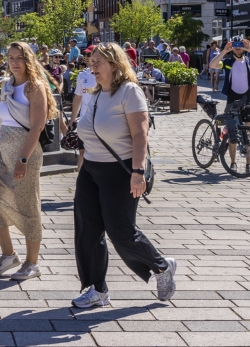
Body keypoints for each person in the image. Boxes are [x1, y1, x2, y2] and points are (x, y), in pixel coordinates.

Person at [72, 43, 176, 308]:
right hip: (91, 170)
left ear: (115, 66)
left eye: (98, 62)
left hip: (121, 171)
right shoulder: (95, 95)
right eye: (91, 62)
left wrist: (138, 172)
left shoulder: (130, 92)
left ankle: (162, 267)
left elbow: (140, 134)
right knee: (87, 231)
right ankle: (96, 289)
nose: (92, 67)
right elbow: (90, 130)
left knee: (121, 231)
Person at [0, 41, 56, 282]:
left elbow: (37, 126)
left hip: (26, 154)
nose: (14, 62)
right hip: (2, 153)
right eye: (10, 58)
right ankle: (9, 255)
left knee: (28, 206)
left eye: (19, 57)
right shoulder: (8, 85)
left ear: (28, 59)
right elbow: (0, 121)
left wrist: (23, 159)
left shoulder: (34, 87)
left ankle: (32, 263)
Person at [208, 38, 250, 170]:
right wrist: (224, 51)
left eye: (240, 46)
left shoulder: (249, 62)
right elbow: (212, 65)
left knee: (249, 134)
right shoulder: (228, 62)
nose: (237, 48)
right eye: (235, 46)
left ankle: (248, 164)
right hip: (232, 99)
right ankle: (233, 162)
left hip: (246, 99)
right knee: (232, 134)